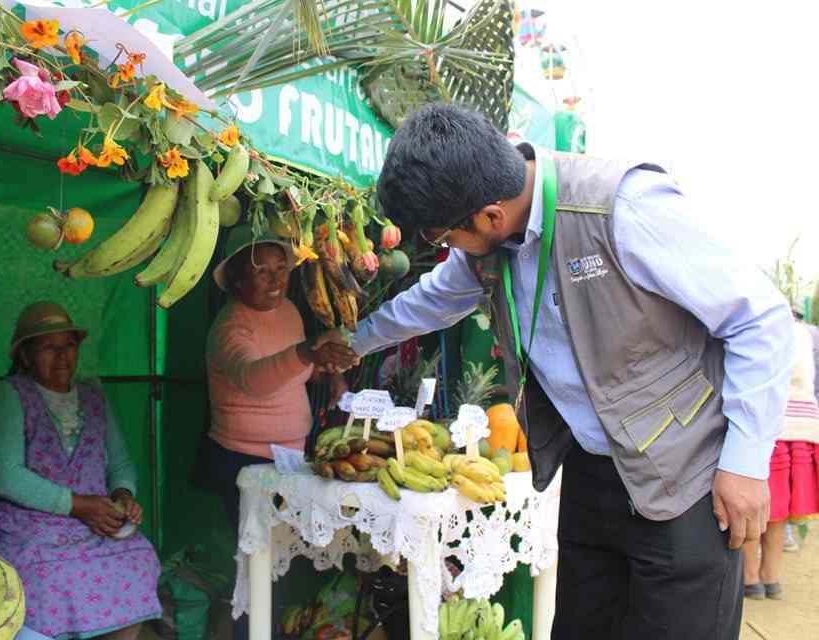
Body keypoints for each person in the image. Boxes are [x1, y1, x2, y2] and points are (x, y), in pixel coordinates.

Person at [315, 104, 794, 639]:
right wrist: (353, 342)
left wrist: (746, 463)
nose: (446, 251)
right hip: (592, 472)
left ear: (490, 216)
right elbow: (433, 300)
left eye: (443, 238)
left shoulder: (623, 208)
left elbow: (760, 320)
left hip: (685, 478)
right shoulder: (488, 238)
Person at [0, 301, 161, 640]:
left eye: (69, 346)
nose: (62, 356)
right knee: (52, 574)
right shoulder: (8, 394)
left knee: (138, 556)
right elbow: (4, 474)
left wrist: (123, 496)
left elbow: (120, 462)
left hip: (91, 517)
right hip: (24, 521)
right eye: (49, 347)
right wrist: (79, 505)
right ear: (25, 356)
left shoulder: (93, 396)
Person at [200, 226, 359, 528]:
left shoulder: (287, 310)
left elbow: (292, 371)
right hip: (243, 460)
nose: (275, 280)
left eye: (281, 269)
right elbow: (254, 380)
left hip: (292, 453)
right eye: (261, 272)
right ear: (236, 280)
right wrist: (308, 353)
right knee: (256, 546)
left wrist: (328, 375)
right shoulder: (230, 327)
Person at [743, 312, 819, 597]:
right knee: (779, 511)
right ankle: (771, 578)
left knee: (752, 506)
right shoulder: (809, 335)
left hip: (766, 424)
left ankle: (750, 578)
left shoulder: (755, 324)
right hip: (803, 427)